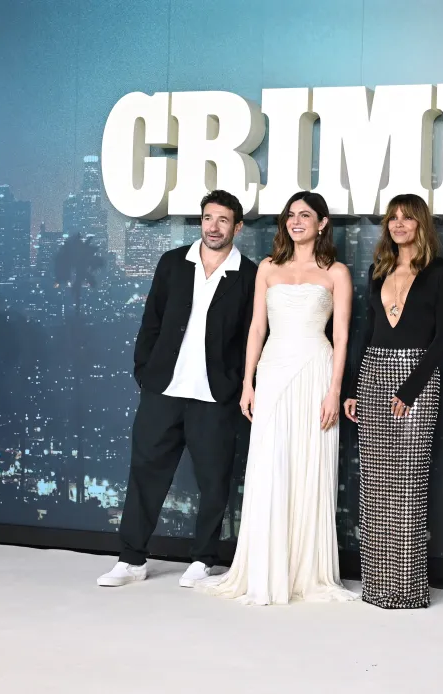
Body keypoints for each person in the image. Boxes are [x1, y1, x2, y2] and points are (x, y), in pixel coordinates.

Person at [196, 191, 356, 605]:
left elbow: (341, 336)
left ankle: (305, 570)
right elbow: (255, 330)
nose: (296, 220)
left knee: (309, 464)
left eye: (306, 215)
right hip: (272, 372)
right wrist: (248, 382)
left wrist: (335, 391)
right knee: (270, 466)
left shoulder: (336, 272)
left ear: (322, 223)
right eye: (291, 215)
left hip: (316, 372)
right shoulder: (267, 268)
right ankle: (265, 566)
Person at [98, 190, 257, 588]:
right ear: (200, 221)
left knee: (214, 480)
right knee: (146, 473)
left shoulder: (249, 275)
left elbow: (254, 335)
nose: (213, 227)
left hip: (214, 396)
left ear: (237, 227)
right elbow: (151, 321)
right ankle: (131, 559)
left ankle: (203, 559)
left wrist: (237, 383)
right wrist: (145, 372)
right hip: (164, 390)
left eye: (223, 220)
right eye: (207, 218)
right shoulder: (173, 263)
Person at [342, 194, 443, 609]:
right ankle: (376, 586)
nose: (398, 224)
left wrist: (409, 391)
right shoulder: (379, 270)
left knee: (408, 486)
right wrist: (354, 388)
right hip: (373, 374)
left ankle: (406, 589)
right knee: (375, 486)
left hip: (417, 378)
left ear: (421, 224)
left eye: (407, 218)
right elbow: (365, 332)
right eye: (393, 218)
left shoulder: (441, 272)